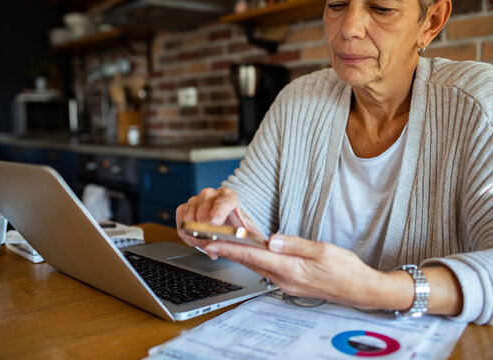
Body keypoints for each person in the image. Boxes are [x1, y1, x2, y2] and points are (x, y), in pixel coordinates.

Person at [176, 0, 493, 324]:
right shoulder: (297, 101)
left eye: (381, 8)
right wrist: (215, 217)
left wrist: (376, 290)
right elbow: (244, 215)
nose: (348, 28)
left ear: (431, 21)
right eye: (337, 4)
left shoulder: (480, 105)